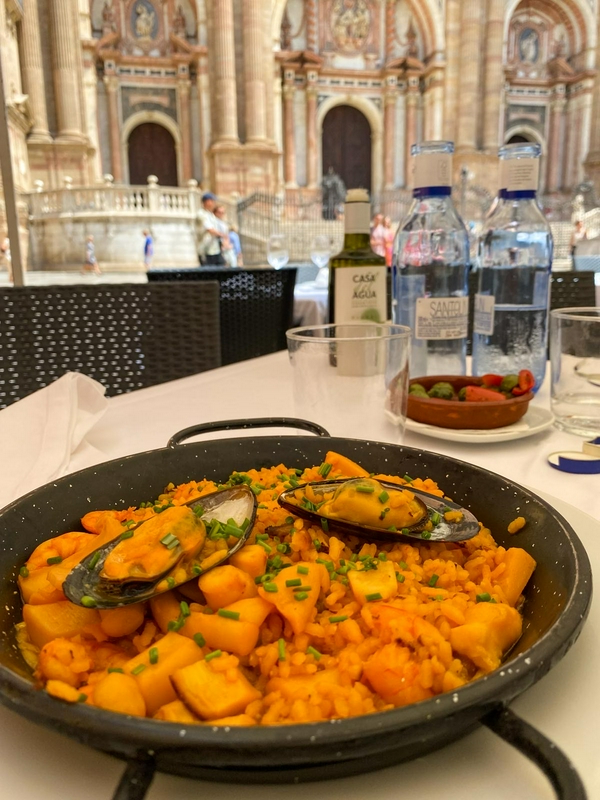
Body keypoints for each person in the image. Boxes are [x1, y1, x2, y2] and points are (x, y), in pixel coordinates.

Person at [197, 192, 225, 265]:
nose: (214, 203)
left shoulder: (210, 214)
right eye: (212, 201)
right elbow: (210, 229)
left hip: (215, 249)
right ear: (207, 202)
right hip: (206, 250)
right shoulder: (201, 214)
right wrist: (222, 235)